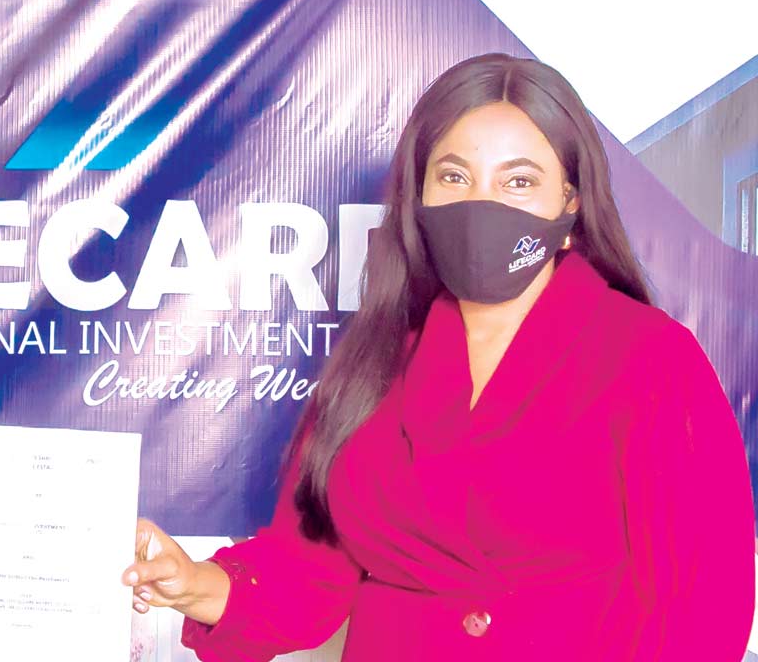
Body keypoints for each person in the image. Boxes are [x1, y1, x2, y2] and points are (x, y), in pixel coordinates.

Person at [122, 53, 756, 661]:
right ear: (419, 198)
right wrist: (195, 584)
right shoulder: (372, 366)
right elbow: (309, 571)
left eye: (519, 181)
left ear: (571, 204)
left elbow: (705, 603)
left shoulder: (650, 357)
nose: (483, 204)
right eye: (454, 176)